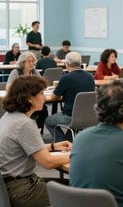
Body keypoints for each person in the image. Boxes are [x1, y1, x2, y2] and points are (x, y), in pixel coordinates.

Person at [0, 75, 72, 207]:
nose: (44, 97)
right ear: (29, 98)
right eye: (41, 93)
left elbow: (23, 147)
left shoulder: (9, 117)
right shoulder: (24, 124)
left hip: (10, 186)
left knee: (70, 186)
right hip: (23, 190)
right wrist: (75, 155)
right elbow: (48, 163)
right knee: (77, 192)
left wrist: (53, 146)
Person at [45, 52, 95, 142]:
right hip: (88, 116)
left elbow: (53, 97)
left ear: (67, 64)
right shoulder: (90, 77)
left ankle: (62, 141)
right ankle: (69, 139)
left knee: (49, 120)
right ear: (80, 63)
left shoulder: (66, 78)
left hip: (70, 116)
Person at [6, 51, 48, 132]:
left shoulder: (34, 72)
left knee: (43, 109)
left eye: (33, 61)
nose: (32, 63)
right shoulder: (16, 72)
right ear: (22, 63)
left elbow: (42, 85)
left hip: (32, 99)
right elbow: (9, 88)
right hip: (20, 100)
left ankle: (39, 130)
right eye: (29, 61)